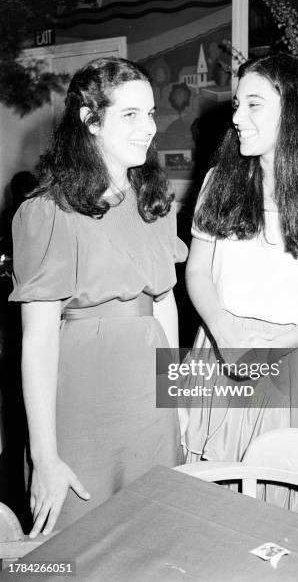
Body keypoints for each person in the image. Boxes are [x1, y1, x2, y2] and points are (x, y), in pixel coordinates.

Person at [181, 53, 298, 516]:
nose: (237, 117)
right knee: (202, 498)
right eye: (236, 105)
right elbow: (197, 271)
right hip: (214, 351)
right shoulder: (217, 181)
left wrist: (276, 346)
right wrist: (223, 329)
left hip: (292, 359)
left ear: (295, 110)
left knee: (283, 508)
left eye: (254, 104)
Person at [9, 57, 187, 535]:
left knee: (154, 538)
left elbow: (164, 305)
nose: (148, 127)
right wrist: (45, 457)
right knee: (77, 548)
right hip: (83, 407)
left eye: (150, 113)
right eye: (130, 114)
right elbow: (39, 343)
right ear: (90, 121)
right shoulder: (47, 212)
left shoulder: (154, 200)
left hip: (150, 403)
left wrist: (177, 402)